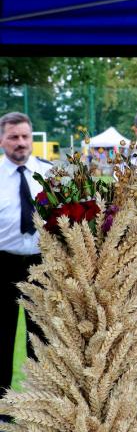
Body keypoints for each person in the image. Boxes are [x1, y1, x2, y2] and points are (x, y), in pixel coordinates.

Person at [0, 112, 52, 413]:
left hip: (41, 264)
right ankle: (3, 408)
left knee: (41, 335)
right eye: (13, 137)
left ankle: (41, 406)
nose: (20, 142)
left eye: (25, 136)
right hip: (3, 264)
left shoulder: (49, 174)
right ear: (2, 140)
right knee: (2, 335)